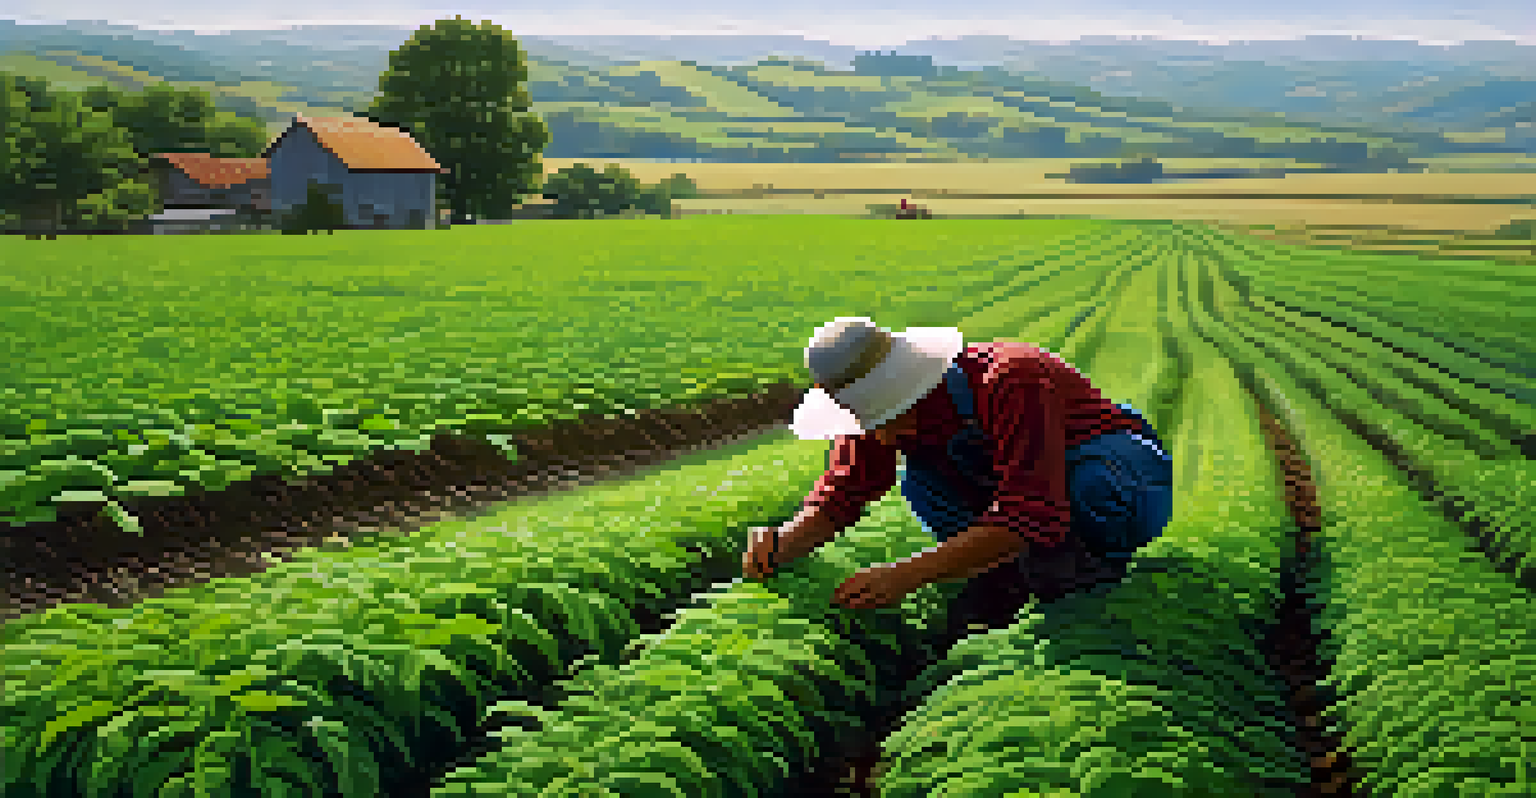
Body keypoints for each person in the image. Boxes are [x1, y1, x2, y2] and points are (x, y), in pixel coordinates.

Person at [743, 317, 1173, 632]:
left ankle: (1097, 569)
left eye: (888, 415)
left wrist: (907, 573)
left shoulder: (1010, 377)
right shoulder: (872, 418)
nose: (880, 432)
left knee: (1093, 486)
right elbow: (844, 493)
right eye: (870, 421)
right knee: (923, 485)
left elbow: (1031, 506)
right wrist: (782, 543)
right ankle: (1011, 574)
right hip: (1022, 494)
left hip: (1118, 473)